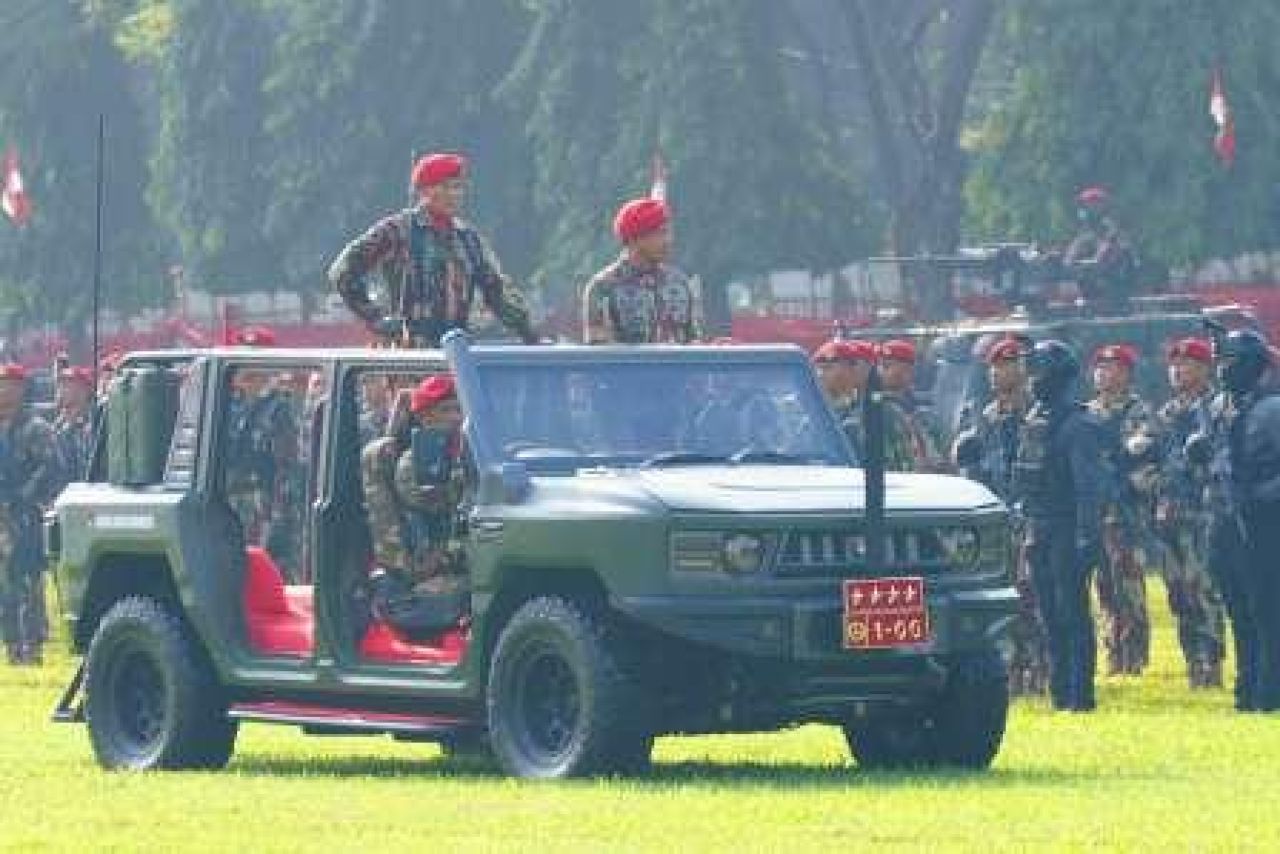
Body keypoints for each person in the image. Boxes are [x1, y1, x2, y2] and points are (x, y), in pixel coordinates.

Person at [329, 152, 538, 347]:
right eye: (445, 187)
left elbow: (497, 293)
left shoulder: (468, 239)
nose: (454, 195)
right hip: (407, 359)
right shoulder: (398, 231)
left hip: (455, 354)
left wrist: (529, 334)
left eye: (458, 187)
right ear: (424, 191)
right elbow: (342, 270)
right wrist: (376, 318)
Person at [952, 335, 1048, 695]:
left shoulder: (1038, 412)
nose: (997, 373)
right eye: (993, 366)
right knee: (1003, 597)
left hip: (1031, 514)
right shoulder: (984, 416)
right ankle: (1013, 671)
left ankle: (1040, 669)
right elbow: (967, 464)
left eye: (1006, 364)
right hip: (996, 518)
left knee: (1033, 595)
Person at [1013, 341, 1106, 711]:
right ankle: (1059, 692)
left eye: (1040, 373)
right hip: (1039, 525)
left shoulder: (1078, 424)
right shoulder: (1036, 419)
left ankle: (1079, 695)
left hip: (1067, 528)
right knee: (1049, 614)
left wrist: (1087, 536)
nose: (1033, 380)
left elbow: (1088, 487)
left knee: (1072, 613)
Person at [1203, 330, 1280, 710]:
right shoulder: (1219, 405)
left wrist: (1261, 495)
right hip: (1224, 521)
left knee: (1266, 612)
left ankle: (1269, 693)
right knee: (1237, 610)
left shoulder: (1273, 410)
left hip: (1263, 525)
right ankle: (1246, 690)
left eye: (1230, 362)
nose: (1222, 370)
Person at [361, 374, 469, 639]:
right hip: (431, 566)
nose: (455, 418)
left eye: (458, 409)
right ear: (424, 417)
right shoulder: (412, 463)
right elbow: (431, 499)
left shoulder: (467, 453)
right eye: (445, 410)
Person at [1152, 337, 1225, 688]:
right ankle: (1192, 661)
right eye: (1174, 364)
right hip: (1170, 513)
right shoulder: (1166, 414)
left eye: (1187, 364)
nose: (1178, 370)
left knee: (1205, 590)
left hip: (1204, 513)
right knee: (1179, 593)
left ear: (1205, 368)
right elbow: (1148, 459)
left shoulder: (1217, 408)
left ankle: (1211, 662)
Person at [1087, 343, 1154, 676]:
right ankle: (1113, 654)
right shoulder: (1086, 412)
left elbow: (1139, 451)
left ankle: (1134, 657)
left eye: (1112, 367)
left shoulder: (1138, 412)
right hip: (1094, 514)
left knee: (1128, 586)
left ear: (1127, 374)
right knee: (1104, 588)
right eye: (1099, 366)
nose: (1103, 373)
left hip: (1125, 512)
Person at [0, 364, 60, 665]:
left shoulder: (36, 428)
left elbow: (49, 467)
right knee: (5, 583)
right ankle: (11, 644)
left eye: (9, 384)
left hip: (23, 515)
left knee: (28, 579)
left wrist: (23, 498)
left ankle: (32, 644)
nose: (3, 390)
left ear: (22, 389)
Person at [581, 198, 701, 344]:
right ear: (635, 239)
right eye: (661, 233)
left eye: (668, 233)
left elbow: (693, 343)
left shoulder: (680, 283)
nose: (668, 240)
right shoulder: (603, 288)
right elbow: (599, 354)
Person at [1063, 186, 1137, 312]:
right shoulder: (1083, 232)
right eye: (1085, 205)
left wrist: (1090, 263)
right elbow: (1069, 260)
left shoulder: (1111, 231)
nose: (1086, 209)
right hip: (1088, 296)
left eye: (1093, 204)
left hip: (1113, 297)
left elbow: (1105, 259)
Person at [878, 338, 946, 471]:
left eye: (887, 366)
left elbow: (939, 453)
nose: (880, 371)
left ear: (907, 371)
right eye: (880, 365)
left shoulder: (924, 413)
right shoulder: (874, 405)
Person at [52, 365, 96, 484]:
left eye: (70, 384)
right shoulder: (58, 426)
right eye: (62, 385)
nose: (64, 390)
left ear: (86, 390)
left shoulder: (97, 421)